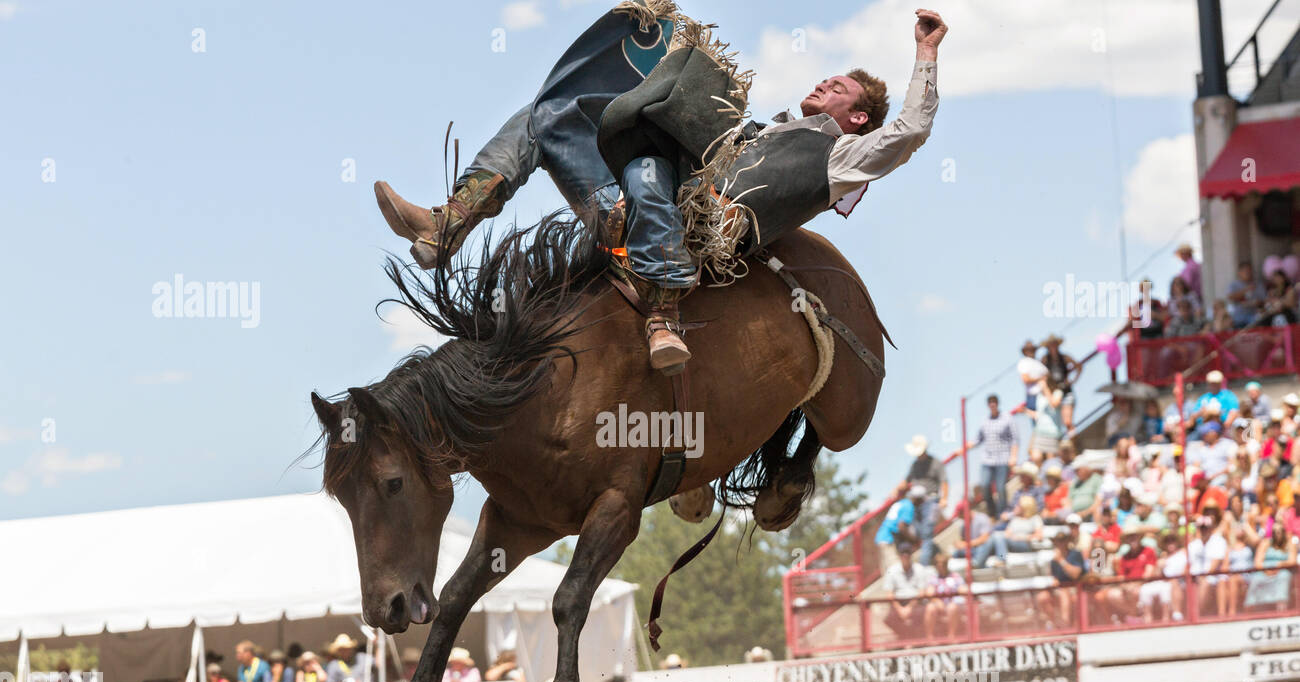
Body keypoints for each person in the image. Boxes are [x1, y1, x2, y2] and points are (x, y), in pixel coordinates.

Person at [374, 4, 946, 374]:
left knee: (648, 169)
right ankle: (450, 222)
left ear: (859, 119)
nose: (824, 82)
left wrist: (925, 53)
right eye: (827, 77)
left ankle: (663, 312)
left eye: (839, 86)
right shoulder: (758, 128)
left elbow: (912, 130)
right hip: (626, 206)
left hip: (690, 233)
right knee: (546, 114)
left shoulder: (842, 155)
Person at [904, 434, 947, 565]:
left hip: (931, 501)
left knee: (927, 533)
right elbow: (906, 480)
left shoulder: (935, 463)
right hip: (916, 503)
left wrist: (944, 498)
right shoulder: (915, 465)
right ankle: (936, 555)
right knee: (919, 532)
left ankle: (924, 564)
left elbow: (944, 481)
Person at [972, 393, 1017, 516]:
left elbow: (1015, 439)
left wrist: (1013, 456)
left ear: (997, 403)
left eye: (994, 402)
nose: (992, 404)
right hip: (987, 460)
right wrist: (965, 447)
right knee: (985, 486)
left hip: (1002, 460)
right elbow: (978, 439)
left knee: (1000, 488)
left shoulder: (1007, 418)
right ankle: (992, 513)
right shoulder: (984, 421)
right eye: (990, 402)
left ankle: (1002, 512)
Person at [881, 541, 934, 639]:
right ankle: (906, 638)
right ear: (899, 555)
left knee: (927, 611)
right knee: (889, 619)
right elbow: (889, 594)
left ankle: (923, 638)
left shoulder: (919, 569)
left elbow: (922, 592)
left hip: (916, 603)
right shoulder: (892, 570)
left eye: (908, 553)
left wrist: (909, 608)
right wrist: (900, 609)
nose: (905, 555)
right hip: (899, 603)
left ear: (911, 554)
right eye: (903, 553)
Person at [1038, 529, 1085, 629]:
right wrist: (1053, 583)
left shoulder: (1075, 554)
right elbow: (1055, 578)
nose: (1060, 543)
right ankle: (1055, 624)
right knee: (1042, 597)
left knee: (1064, 594)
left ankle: (1065, 625)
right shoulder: (1054, 560)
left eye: (1063, 540)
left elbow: (1075, 575)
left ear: (1067, 541)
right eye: (1058, 541)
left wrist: (1061, 560)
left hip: (1077, 588)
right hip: (1060, 588)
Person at [874, 483, 921, 570]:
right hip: (888, 540)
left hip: (881, 538)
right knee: (896, 571)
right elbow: (901, 526)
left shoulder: (900, 503)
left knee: (889, 572)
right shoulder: (908, 505)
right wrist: (915, 540)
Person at [1040, 335, 1079, 432]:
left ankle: (1073, 444)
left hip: (1066, 391)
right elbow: (1042, 376)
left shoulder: (1065, 358)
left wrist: (1072, 380)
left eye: (1054, 345)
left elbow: (1079, 367)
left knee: (1068, 422)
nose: (1053, 347)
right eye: (1050, 345)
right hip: (1053, 394)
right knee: (1058, 426)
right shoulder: (1045, 360)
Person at [924, 551, 965, 641]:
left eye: (943, 564)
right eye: (938, 565)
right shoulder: (933, 578)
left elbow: (963, 589)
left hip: (954, 605)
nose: (941, 567)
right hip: (938, 606)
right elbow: (929, 593)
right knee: (930, 608)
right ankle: (930, 637)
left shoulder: (955, 576)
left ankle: (951, 636)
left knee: (952, 607)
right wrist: (937, 601)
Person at [1226, 261, 1265, 328]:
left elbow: (1264, 299)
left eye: (1249, 270)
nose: (1248, 273)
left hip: (1254, 315)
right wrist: (1245, 290)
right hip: (1238, 317)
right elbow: (1230, 297)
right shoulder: (1234, 285)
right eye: (1245, 271)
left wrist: (1257, 303)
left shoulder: (1258, 284)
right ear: (1239, 272)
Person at [1017, 339, 1048, 411]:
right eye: (1028, 350)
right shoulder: (1024, 362)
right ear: (1025, 352)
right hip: (1034, 396)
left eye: (1032, 350)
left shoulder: (1038, 362)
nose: (1031, 352)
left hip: (1045, 394)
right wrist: (1041, 379)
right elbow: (1025, 379)